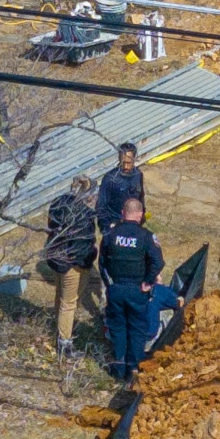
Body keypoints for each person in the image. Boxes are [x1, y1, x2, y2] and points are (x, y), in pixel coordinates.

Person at [97, 195, 164, 381]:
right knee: (137, 328)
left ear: (122, 213)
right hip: (137, 290)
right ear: (141, 214)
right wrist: (148, 282)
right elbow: (158, 261)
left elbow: (101, 263)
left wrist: (109, 284)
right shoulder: (146, 236)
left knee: (117, 327)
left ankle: (119, 368)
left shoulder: (110, 235)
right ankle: (134, 368)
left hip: (116, 288)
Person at [40, 175, 100, 353]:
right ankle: (65, 343)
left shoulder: (58, 203)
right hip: (73, 264)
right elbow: (82, 245)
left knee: (60, 295)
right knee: (69, 303)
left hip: (56, 259)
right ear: (88, 195)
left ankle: (59, 330)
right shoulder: (84, 215)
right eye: (94, 195)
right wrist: (87, 262)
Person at [98, 140, 146, 224]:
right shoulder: (110, 178)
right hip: (115, 222)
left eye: (128, 163)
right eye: (123, 162)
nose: (125, 166)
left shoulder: (138, 175)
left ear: (134, 159)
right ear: (119, 158)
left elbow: (141, 197)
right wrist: (106, 227)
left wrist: (142, 216)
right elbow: (101, 206)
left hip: (133, 221)